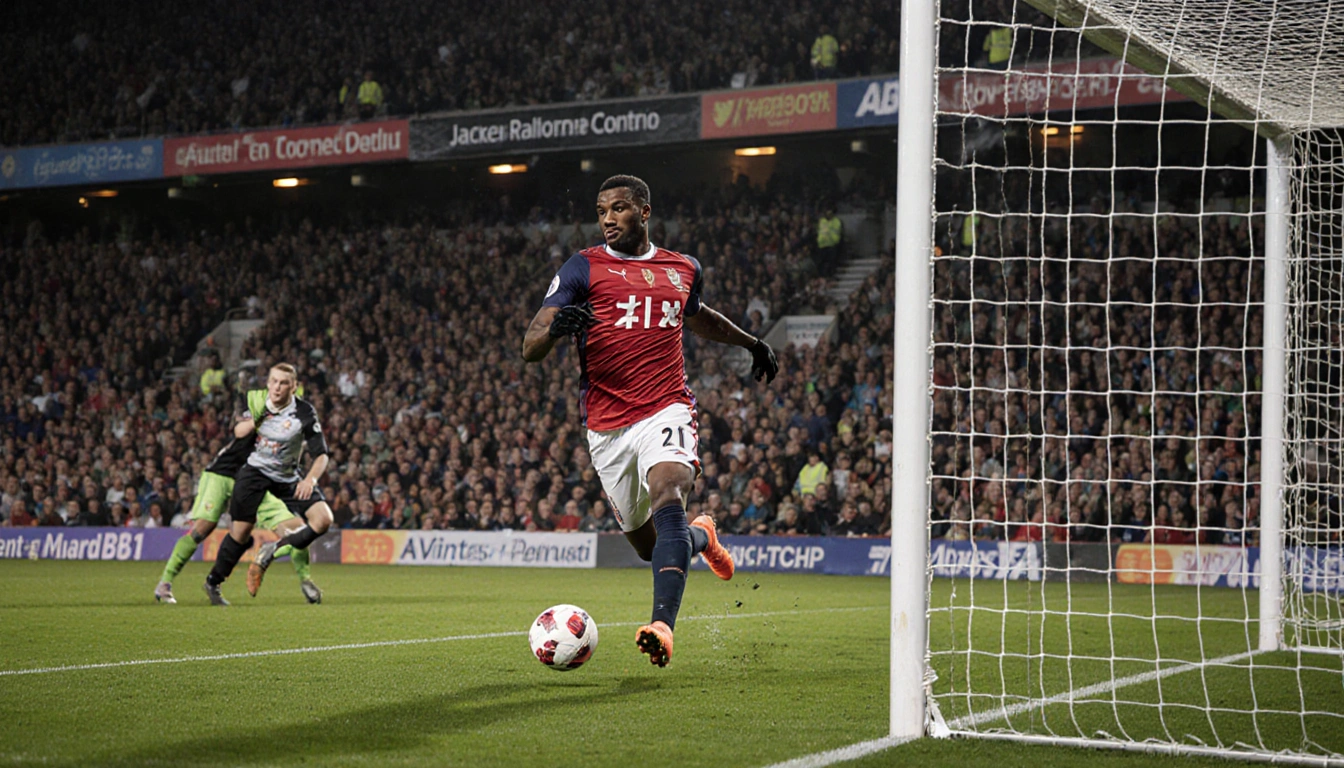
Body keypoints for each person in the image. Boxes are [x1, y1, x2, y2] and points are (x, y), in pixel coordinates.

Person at [522, 174, 779, 667]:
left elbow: (697, 315)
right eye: (601, 211)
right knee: (652, 545)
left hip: (665, 405)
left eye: (618, 208)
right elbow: (529, 346)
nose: (608, 219)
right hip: (606, 426)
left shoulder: (682, 268)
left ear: (644, 211)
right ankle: (703, 535)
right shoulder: (583, 268)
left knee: (669, 490)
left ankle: (662, 625)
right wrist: (557, 327)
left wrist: (752, 342)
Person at [154, 389, 322, 605]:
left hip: (256, 482)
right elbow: (241, 429)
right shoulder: (263, 411)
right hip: (223, 473)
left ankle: (304, 580)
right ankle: (165, 583)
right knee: (204, 527)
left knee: (296, 528)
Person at [202, 364, 335, 605]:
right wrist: (260, 416)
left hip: (288, 477)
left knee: (324, 520)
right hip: (255, 474)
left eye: (283, 383)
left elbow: (322, 454)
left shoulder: (304, 412)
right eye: (273, 381)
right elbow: (239, 431)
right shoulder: (257, 400)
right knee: (240, 534)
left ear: (293, 387)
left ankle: (271, 551)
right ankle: (213, 582)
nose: (276, 387)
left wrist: (310, 479)